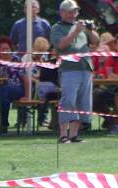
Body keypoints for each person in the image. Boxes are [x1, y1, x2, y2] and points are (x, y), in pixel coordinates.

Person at [51, 0, 99, 143]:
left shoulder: (82, 27)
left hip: (85, 68)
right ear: (62, 13)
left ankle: (74, 135)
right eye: (70, 11)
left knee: (82, 103)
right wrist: (75, 31)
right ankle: (63, 135)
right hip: (69, 69)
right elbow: (61, 45)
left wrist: (90, 30)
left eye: (75, 11)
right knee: (68, 101)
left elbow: (96, 41)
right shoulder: (57, 28)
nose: (73, 14)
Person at [32, 37, 60, 128]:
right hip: (50, 90)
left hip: (42, 90)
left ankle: (52, 121)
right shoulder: (59, 63)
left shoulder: (46, 62)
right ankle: (53, 122)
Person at [93, 32, 118, 134]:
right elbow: (110, 75)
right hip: (111, 87)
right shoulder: (112, 58)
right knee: (94, 96)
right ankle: (110, 121)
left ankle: (113, 124)